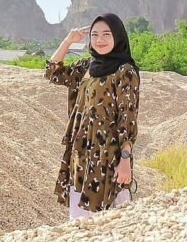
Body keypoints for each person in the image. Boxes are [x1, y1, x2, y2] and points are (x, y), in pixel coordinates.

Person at [45, 14, 140, 220]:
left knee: (113, 217)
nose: (100, 39)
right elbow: (52, 72)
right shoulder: (87, 67)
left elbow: (128, 118)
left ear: (118, 36)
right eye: (95, 35)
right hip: (81, 152)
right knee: (81, 221)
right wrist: (68, 41)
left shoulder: (125, 71)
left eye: (107, 34)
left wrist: (125, 160)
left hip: (108, 153)